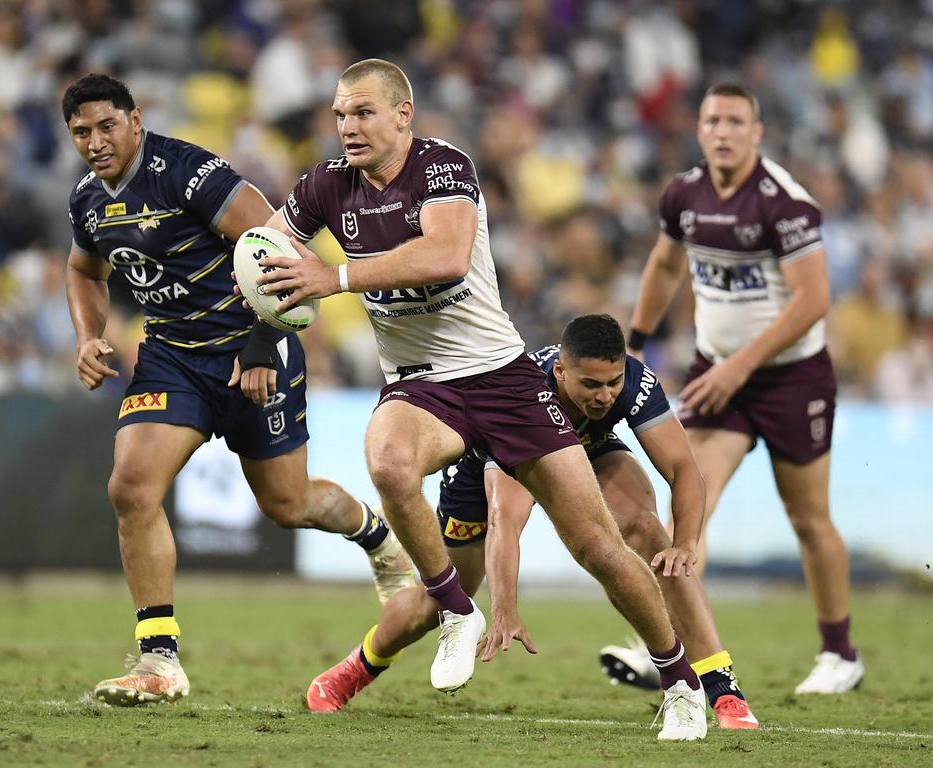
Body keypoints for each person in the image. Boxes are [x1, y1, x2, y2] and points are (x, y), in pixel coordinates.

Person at [248, 59, 707, 740]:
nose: (348, 126)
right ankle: (456, 609)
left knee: (600, 548)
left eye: (364, 112)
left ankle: (681, 682)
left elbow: (446, 256)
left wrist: (334, 275)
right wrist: (261, 333)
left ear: (404, 114)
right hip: (421, 383)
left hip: (503, 377)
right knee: (388, 461)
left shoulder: (444, 168)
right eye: (341, 113)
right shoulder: (322, 188)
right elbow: (268, 255)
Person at [62, 73, 415, 706]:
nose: (95, 141)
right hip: (172, 360)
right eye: (81, 132)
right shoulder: (88, 200)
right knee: (131, 485)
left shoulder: (189, 173)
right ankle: (159, 659)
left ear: (135, 121)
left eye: (106, 125)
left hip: (254, 347)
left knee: (288, 504)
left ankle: (379, 541)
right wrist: (89, 334)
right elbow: (83, 268)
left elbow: (276, 241)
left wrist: (260, 346)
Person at [302, 314, 759, 730]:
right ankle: (355, 669)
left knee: (648, 536)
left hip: (585, 450)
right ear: (560, 372)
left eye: (612, 383)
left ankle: (721, 690)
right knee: (430, 605)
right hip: (501, 453)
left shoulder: (635, 384)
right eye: (590, 385)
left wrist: (688, 541)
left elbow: (684, 470)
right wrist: (506, 608)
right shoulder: (523, 396)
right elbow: (505, 519)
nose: (604, 396)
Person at [627, 82, 862, 694]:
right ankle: (671, 649)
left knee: (808, 518)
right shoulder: (684, 193)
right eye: (713, 121)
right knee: (692, 500)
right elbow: (665, 264)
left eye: (736, 121)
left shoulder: (784, 203)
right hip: (718, 372)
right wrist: (635, 340)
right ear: (699, 130)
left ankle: (840, 654)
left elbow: (814, 301)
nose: (723, 131)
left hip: (792, 379)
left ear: (756, 132)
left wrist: (739, 366)